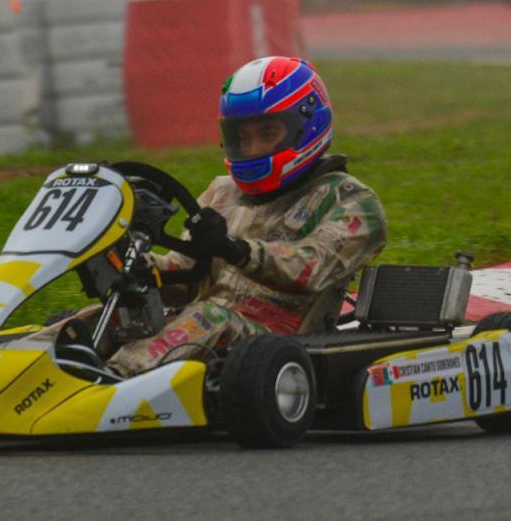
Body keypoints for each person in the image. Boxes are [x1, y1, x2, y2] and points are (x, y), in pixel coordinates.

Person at [49, 56, 388, 377]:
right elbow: (183, 277)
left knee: (208, 317)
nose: (253, 149)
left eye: (267, 134)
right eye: (243, 137)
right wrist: (115, 257)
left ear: (306, 125)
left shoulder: (351, 201)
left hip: (280, 344)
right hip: (201, 328)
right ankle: (26, 373)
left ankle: (111, 380)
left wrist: (233, 248)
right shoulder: (222, 192)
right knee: (116, 314)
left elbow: (310, 269)